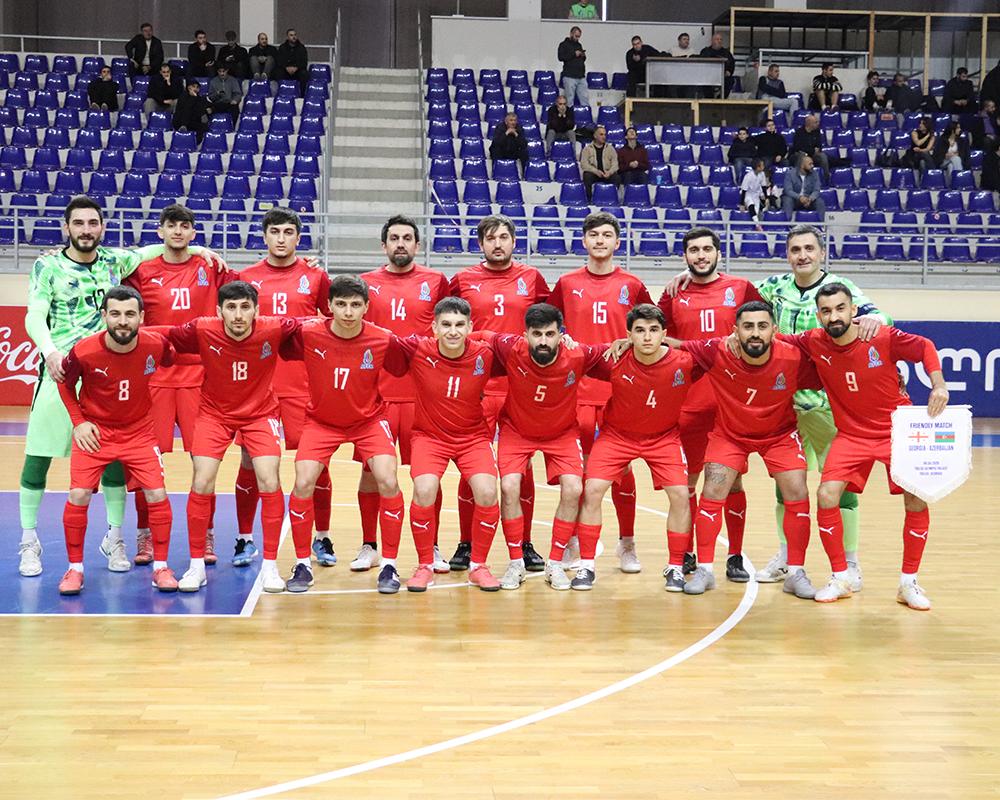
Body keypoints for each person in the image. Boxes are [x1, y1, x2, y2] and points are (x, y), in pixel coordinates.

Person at [18, 195, 224, 578]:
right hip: (62, 370)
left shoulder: (114, 260)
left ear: (102, 227)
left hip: (108, 374)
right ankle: (29, 542)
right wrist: (49, 352)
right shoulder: (47, 266)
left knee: (114, 460)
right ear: (66, 227)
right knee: (38, 458)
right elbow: (34, 314)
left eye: (92, 223)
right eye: (78, 223)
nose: (85, 230)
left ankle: (115, 537)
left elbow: (155, 248)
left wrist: (199, 249)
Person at [783, 283, 948, 609]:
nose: (834, 316)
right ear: (819, 315)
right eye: (826, 311)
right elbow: (776, 341)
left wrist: (939, 385)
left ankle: (908, 583)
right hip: (851, 435)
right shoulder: (814, 341)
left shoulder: (880, 336)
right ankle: (841, 577)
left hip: (895, 432)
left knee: (916, 498)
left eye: (840, 308)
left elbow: (925, 347)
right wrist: (733, 338)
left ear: (853, 310)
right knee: (826, 495)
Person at [753, 226, 890, 585]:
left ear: (822, 253)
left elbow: (881, 318)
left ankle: (850, 562)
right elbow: (734, 296)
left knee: (841, 490)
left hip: (831, 406)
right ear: (787, 255)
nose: (803, 255)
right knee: (786, 487)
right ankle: (787, 556)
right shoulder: (773, 287)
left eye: (809, 248)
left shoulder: (840, 289)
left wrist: (874, 318)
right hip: (785, 405)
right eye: (795, 249)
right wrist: (686, 274)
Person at [158, 281, 299, 594]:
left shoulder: (275, 328)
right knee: (201, 481)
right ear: (218, 310)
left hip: (261, 414)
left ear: (256, 310)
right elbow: (161, 333)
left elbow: (317, 325)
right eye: (231, 307)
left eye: (245, 307)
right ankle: (196, 566)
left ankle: (270, 566)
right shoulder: (202, 328)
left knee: (269, 479)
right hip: (214, 415)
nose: (238, 315)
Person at [675, 301, 821, 598]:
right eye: (748, 327)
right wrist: (627, 342)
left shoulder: (793, 357)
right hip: (730, 435)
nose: (755, 333)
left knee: (797, 490)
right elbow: (672, 344)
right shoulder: (717, 351)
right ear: (736, 331)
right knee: (713, 488)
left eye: (762, 326)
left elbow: (835, 370)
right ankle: (705, 570)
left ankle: (795, 572)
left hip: (779, 434)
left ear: (774, 330)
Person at [124, 205, 236, 566]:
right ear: (160, 231)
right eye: (171, 225)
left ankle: (205, 534)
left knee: (204, 462)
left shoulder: (210, 266)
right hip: (154, 377)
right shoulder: (141, 271)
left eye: (185, 226)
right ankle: (145, 534)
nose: (178, 231)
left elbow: (252, 285)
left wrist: (303, 265)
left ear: (193, 232)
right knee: (146, 461)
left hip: (200, 377)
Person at [280, 276, 407, 594]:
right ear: (329, 306)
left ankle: (389, 563)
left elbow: (405, 364)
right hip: (321, 422)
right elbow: (271, 333)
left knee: (387, 479)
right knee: (303, 481)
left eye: (355, 305)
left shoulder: (383, 339)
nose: (348, 312)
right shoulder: (308, 332)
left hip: (368, 421)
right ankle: (302, 564)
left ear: (366, 307)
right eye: (341, 304)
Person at [548, 212, 653, 573]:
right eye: (594, 235)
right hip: (575, 389)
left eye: (607, 235)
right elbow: (548, 324)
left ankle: (627, 542)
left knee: (621, 468)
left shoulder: (633, 285)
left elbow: (652, 324)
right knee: (576, 471)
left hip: (620, 388)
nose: (600, 241)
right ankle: (573, 539)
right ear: (584, 241)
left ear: (617, 242)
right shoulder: (566, 283)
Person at [56, 286, 178, 595]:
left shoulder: (155, 345)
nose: (122, 321)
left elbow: (170, 358)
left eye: (129, 314)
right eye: (115, 314)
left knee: (157, 492)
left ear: (141, 317)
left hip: (139, 431)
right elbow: (65, 385)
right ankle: (75, 569)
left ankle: (161, 567)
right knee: (79, 494)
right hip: (96, 432)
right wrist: (79, 422)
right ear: (104, 316)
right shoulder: (84, 351)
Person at [656, 228, 763, 581]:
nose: (701, 255)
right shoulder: (674, 293)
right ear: (684, 256)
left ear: (719, 252)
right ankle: (686, 552)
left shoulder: (741, 288)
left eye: (707, 249)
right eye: (694, 250)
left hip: (730, 402)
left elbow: (763, 328)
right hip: (687, 400)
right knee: (687, 482)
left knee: (732, 482)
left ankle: (734, 555)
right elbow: (656, 335)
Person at [447, 215, 550, 571]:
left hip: (521, 385)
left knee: (523, 470)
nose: (498, 244)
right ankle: (466, 543)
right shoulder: (462, 279)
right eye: (490, 238)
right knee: (470, 466)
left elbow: (549, 323)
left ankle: (524, 543)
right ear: (481, 244)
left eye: (504, 237)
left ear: (514, 241)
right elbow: (446, 325)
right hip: (475, 385)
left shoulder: (532, 277)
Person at [484, 304, 607, 590]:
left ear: (561, 334)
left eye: (550, 334)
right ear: (525, 334)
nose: (543, 341)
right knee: (509, 486)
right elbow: (478, 335)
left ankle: (555, 563)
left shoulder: (577, 354)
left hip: (561, 433)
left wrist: (624, 342)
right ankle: (516, 562)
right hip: (517, 430)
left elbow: (610, 349)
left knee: (574, 488)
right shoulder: (510, 347)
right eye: (536, 334)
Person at [238, 208, 333, 568]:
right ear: (264, 236)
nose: (281, 238)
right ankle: (245, 538)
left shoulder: (316, 276)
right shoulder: (246, 278)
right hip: (256, 385)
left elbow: (332, 324)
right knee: (250, 461)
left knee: (315, 463)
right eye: (275, 231)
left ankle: (322, 537)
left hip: (302, 383)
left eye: (288, 232)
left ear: (298, 237)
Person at [575, 304, 694, 591]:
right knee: (592, 489)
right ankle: (586, 565)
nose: (647, 337)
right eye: (640, 331)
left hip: (663, 438)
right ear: (629, 335)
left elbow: (717, 351)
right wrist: (567, 339)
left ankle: (675, 566)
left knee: (681, 495)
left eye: (654, 330)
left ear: (664, 333)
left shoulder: (685, 362)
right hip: (617, 436)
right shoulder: (614, 359)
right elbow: (577, 353)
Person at [357, 217, 450, 574]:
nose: (401, 243)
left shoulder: (436, 281)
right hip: (376, 394)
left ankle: (433, 546)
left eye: (407, 238)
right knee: (372, 472)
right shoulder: (366, 283)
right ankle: (369, 545)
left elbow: (450, 328)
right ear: (384, 246)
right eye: (394, 238)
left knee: (427, 475)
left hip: (423, 394)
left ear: (417, 245)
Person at [395, 297, 503, 592]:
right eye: (446, 325)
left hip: (472, 437)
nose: (452, 331)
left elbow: (523, 347)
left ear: (470, 327)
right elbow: (377, 337)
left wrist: (566, 340)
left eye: (459, 325)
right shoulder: (418, 349)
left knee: (487, 491)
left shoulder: (485, 354)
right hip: (429, 437)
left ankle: (478, 566)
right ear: (434, 327)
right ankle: (424, 565)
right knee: (424, 489)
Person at [580, 125, 620, 201]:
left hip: (607, 173)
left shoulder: (611, 148)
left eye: (605, 134)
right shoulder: (587, 149)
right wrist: (595, 171)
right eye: (601, 134)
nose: (604, 137)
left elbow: (615, 164)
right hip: (594, 174)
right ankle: (589, 200)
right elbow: (584, 164)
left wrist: (609, 172)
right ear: (595, 136)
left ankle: (612, 199)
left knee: (616, 177)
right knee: (587, 175)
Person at [782, 155, 825, 221]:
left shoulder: (815, 174)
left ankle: (820, 224)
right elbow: (788, 190)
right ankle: (786, 223)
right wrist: (800, 197)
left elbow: (817, 190)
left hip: (808, 200)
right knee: (788, 200)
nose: (812, 166)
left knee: (820, 202)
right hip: (794, 199)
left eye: (812, 164)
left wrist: (810, 199)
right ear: (802, 166)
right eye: (810, 164)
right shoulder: (790, 173)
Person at [558, 26, 588, 108]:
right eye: (576, 36)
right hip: (569, 76)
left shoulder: (579, 45)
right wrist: (574, 54)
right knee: (569, 100)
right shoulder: (563, 45)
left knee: (585, 99)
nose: (577, 38)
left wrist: (582, 55)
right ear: (571, 34)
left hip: (581, 76)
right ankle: (569, 115)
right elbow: (560, 57)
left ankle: (585, 114)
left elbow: (583, 59)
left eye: (579, 36)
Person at [699, 32, 735, 98]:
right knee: (703, 81)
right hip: (708, 75)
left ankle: (721, 98)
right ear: (712, 41)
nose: (719, 41)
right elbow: (701, 63)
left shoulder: (726, 52)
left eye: (721, 39)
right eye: (717, 39)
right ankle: (709, 99)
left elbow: (732, 63)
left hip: (723, 76)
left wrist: (729, 71)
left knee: (731, 80)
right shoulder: (705, 51)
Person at [276, 28, 309, 94]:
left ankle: (302, 95)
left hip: (298, 71)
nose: (294, 37)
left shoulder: (301, 47)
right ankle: (281, 93)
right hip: (285, 70)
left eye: (295, 35)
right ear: (287, 37)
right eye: (291, 35)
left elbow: (304, 61)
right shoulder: (282, 47)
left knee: (304, 74)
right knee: (278, 73)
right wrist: (286, 67)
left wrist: (296, 68)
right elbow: (279, 61)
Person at [740, 158, 770, 225]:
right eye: (762, 165)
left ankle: (757, 224)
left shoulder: (762, 174)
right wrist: (742, 204)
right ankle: (757, 225)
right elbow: (744, 190)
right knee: (751, 206)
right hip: (748, 194)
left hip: (756, 195)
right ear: (757, 167)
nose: (763, 166)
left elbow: (763, 186)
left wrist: (766, 198)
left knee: (756, 212)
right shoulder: (748, 176)